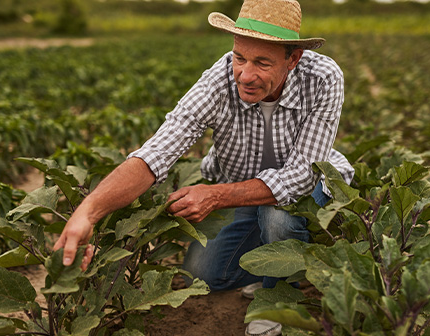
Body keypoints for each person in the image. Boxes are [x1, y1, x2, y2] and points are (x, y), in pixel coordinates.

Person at [54, 0, 354, 335]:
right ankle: (274, 261)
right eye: (240, 57)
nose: (245, 74)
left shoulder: (323, 78)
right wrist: (88, 212)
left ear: (292, 59)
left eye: (262, 63)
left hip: (303, 188)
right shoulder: (218, 81)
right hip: (242, 187)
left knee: (278, 217)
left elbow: (299, 177)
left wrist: (215, 196)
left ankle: (278, 296)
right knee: (203, 274)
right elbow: (156, 152)